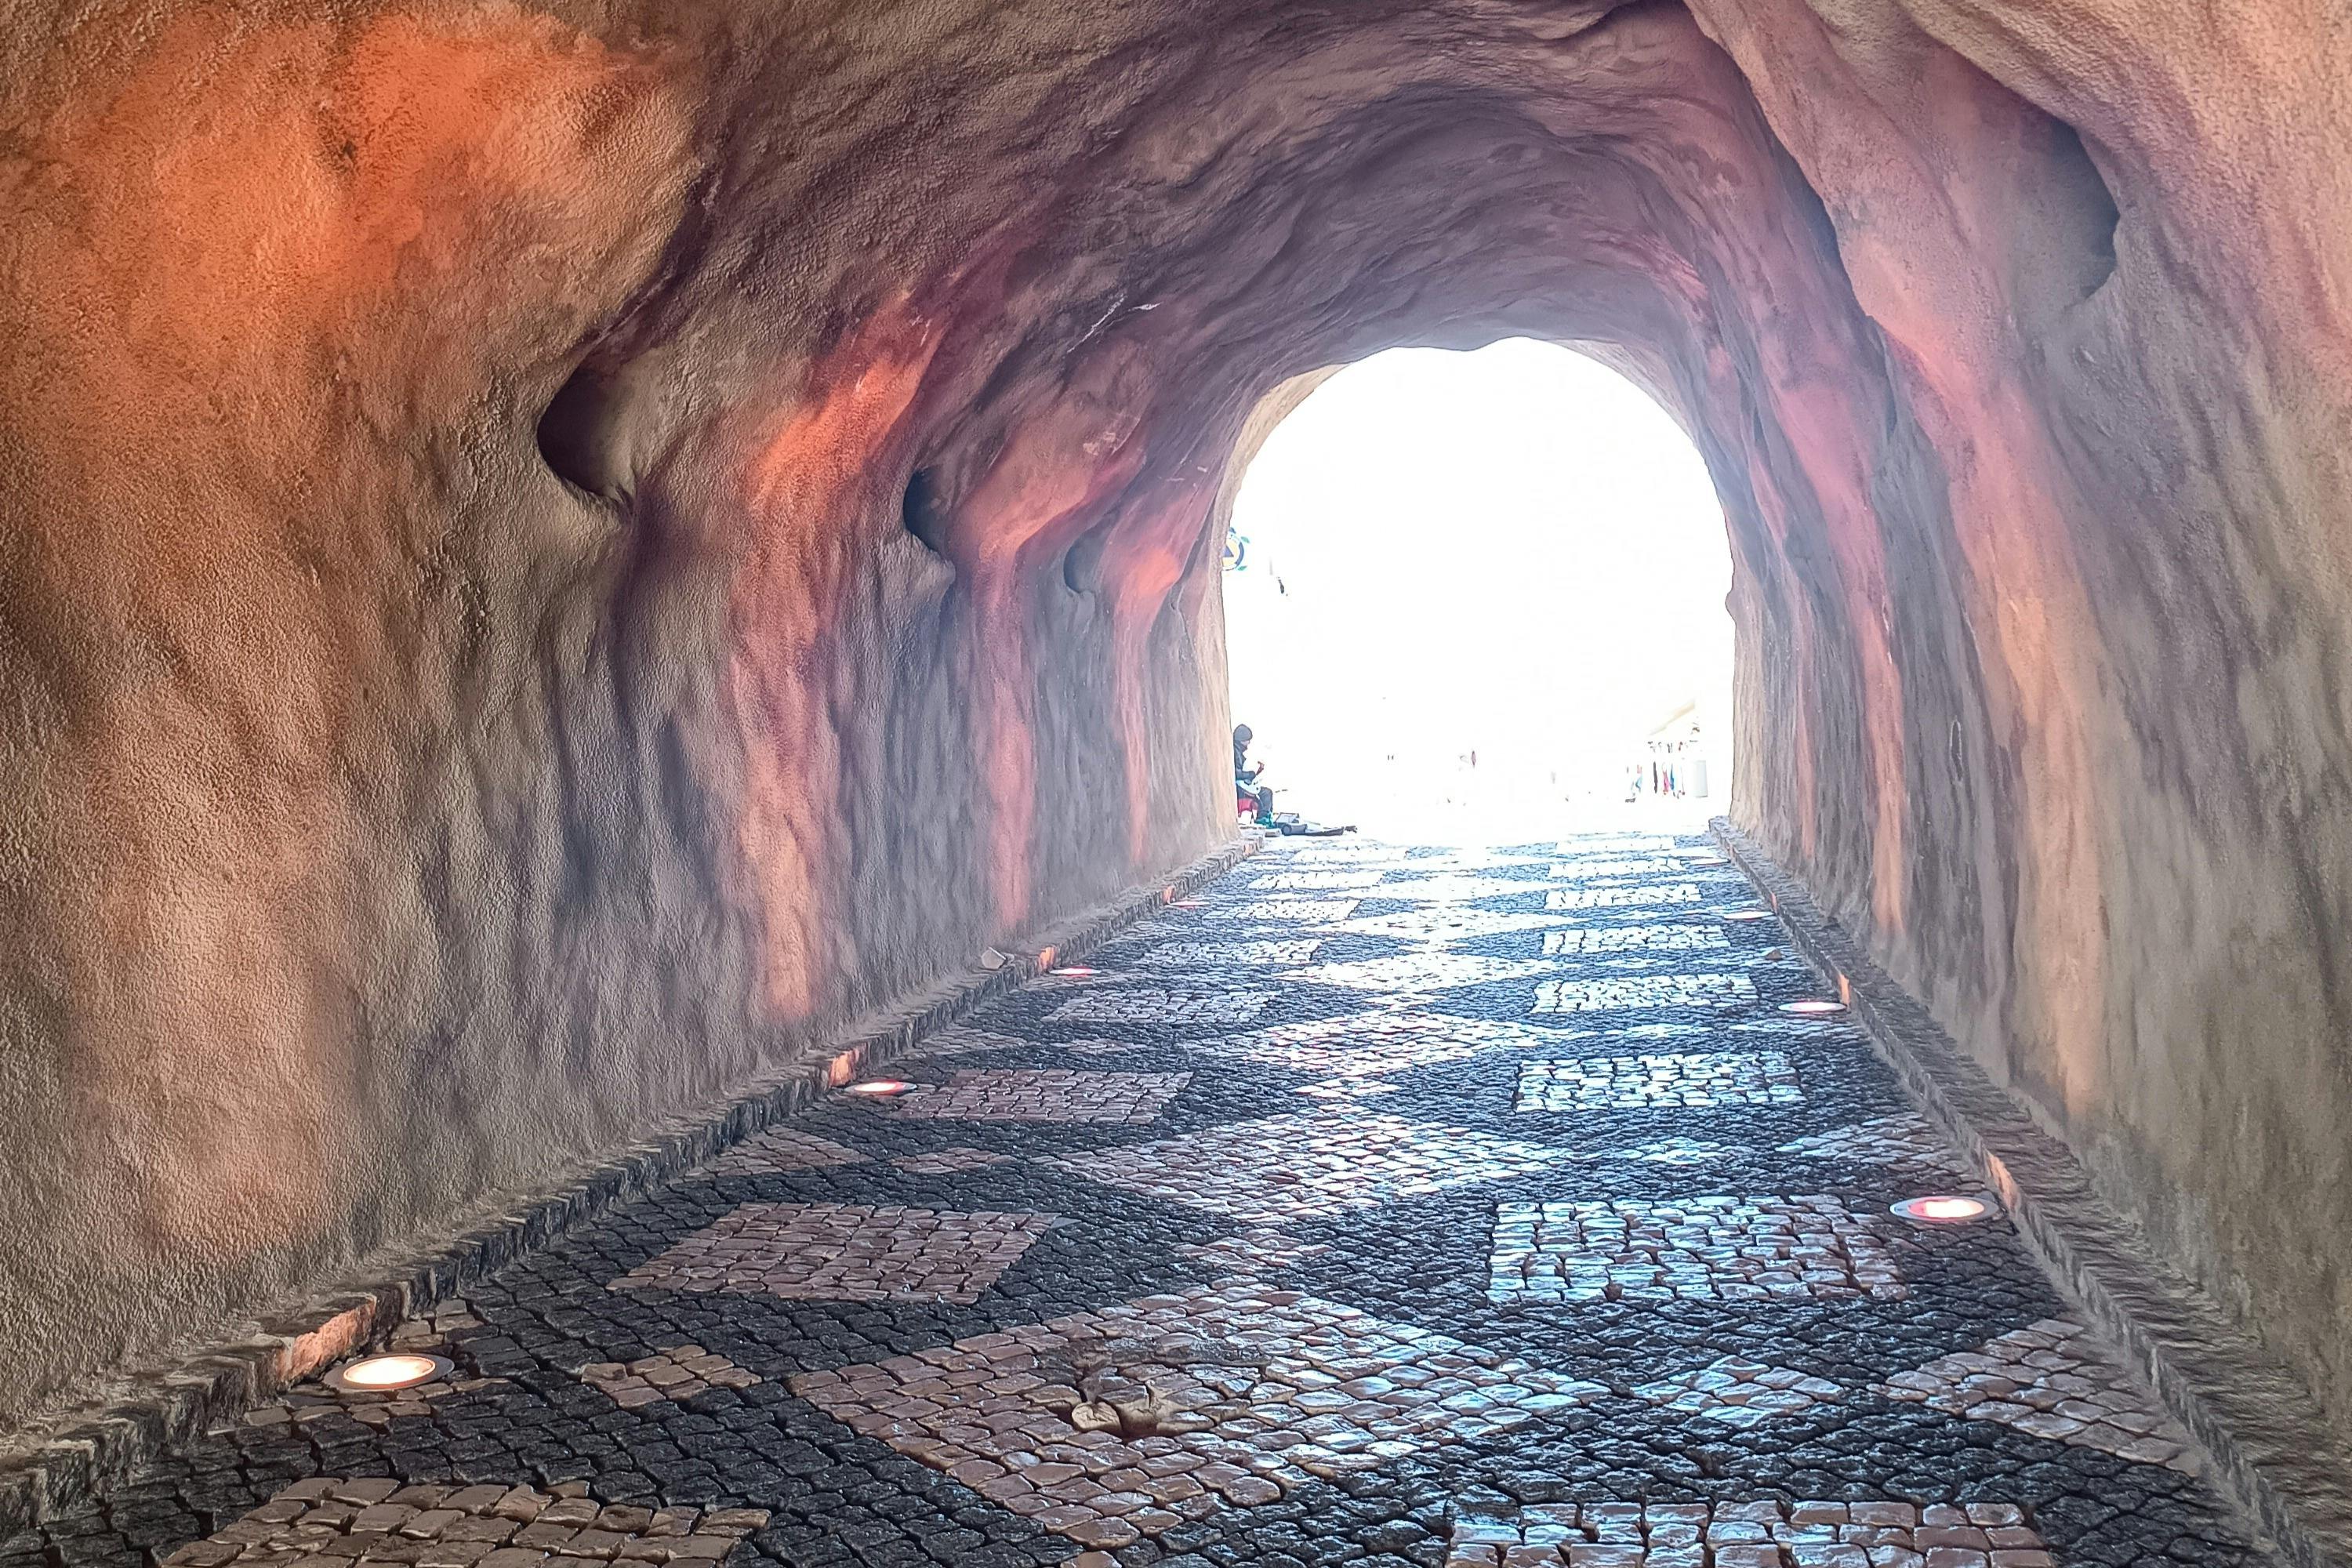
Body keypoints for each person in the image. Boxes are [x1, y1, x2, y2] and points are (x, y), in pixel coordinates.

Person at [1233, 724, 1274, 824]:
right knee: (1267, 793)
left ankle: (1264, 817)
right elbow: (1236, 773)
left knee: (1265, 794)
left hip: (1242, 786)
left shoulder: (1237, 752)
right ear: (1242, 740)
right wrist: (1250, 774)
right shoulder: (1235, 753)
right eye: (1248, 740)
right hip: (1240, 789)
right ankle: (1263, 819)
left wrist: (1257, 772)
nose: (1249, 743)